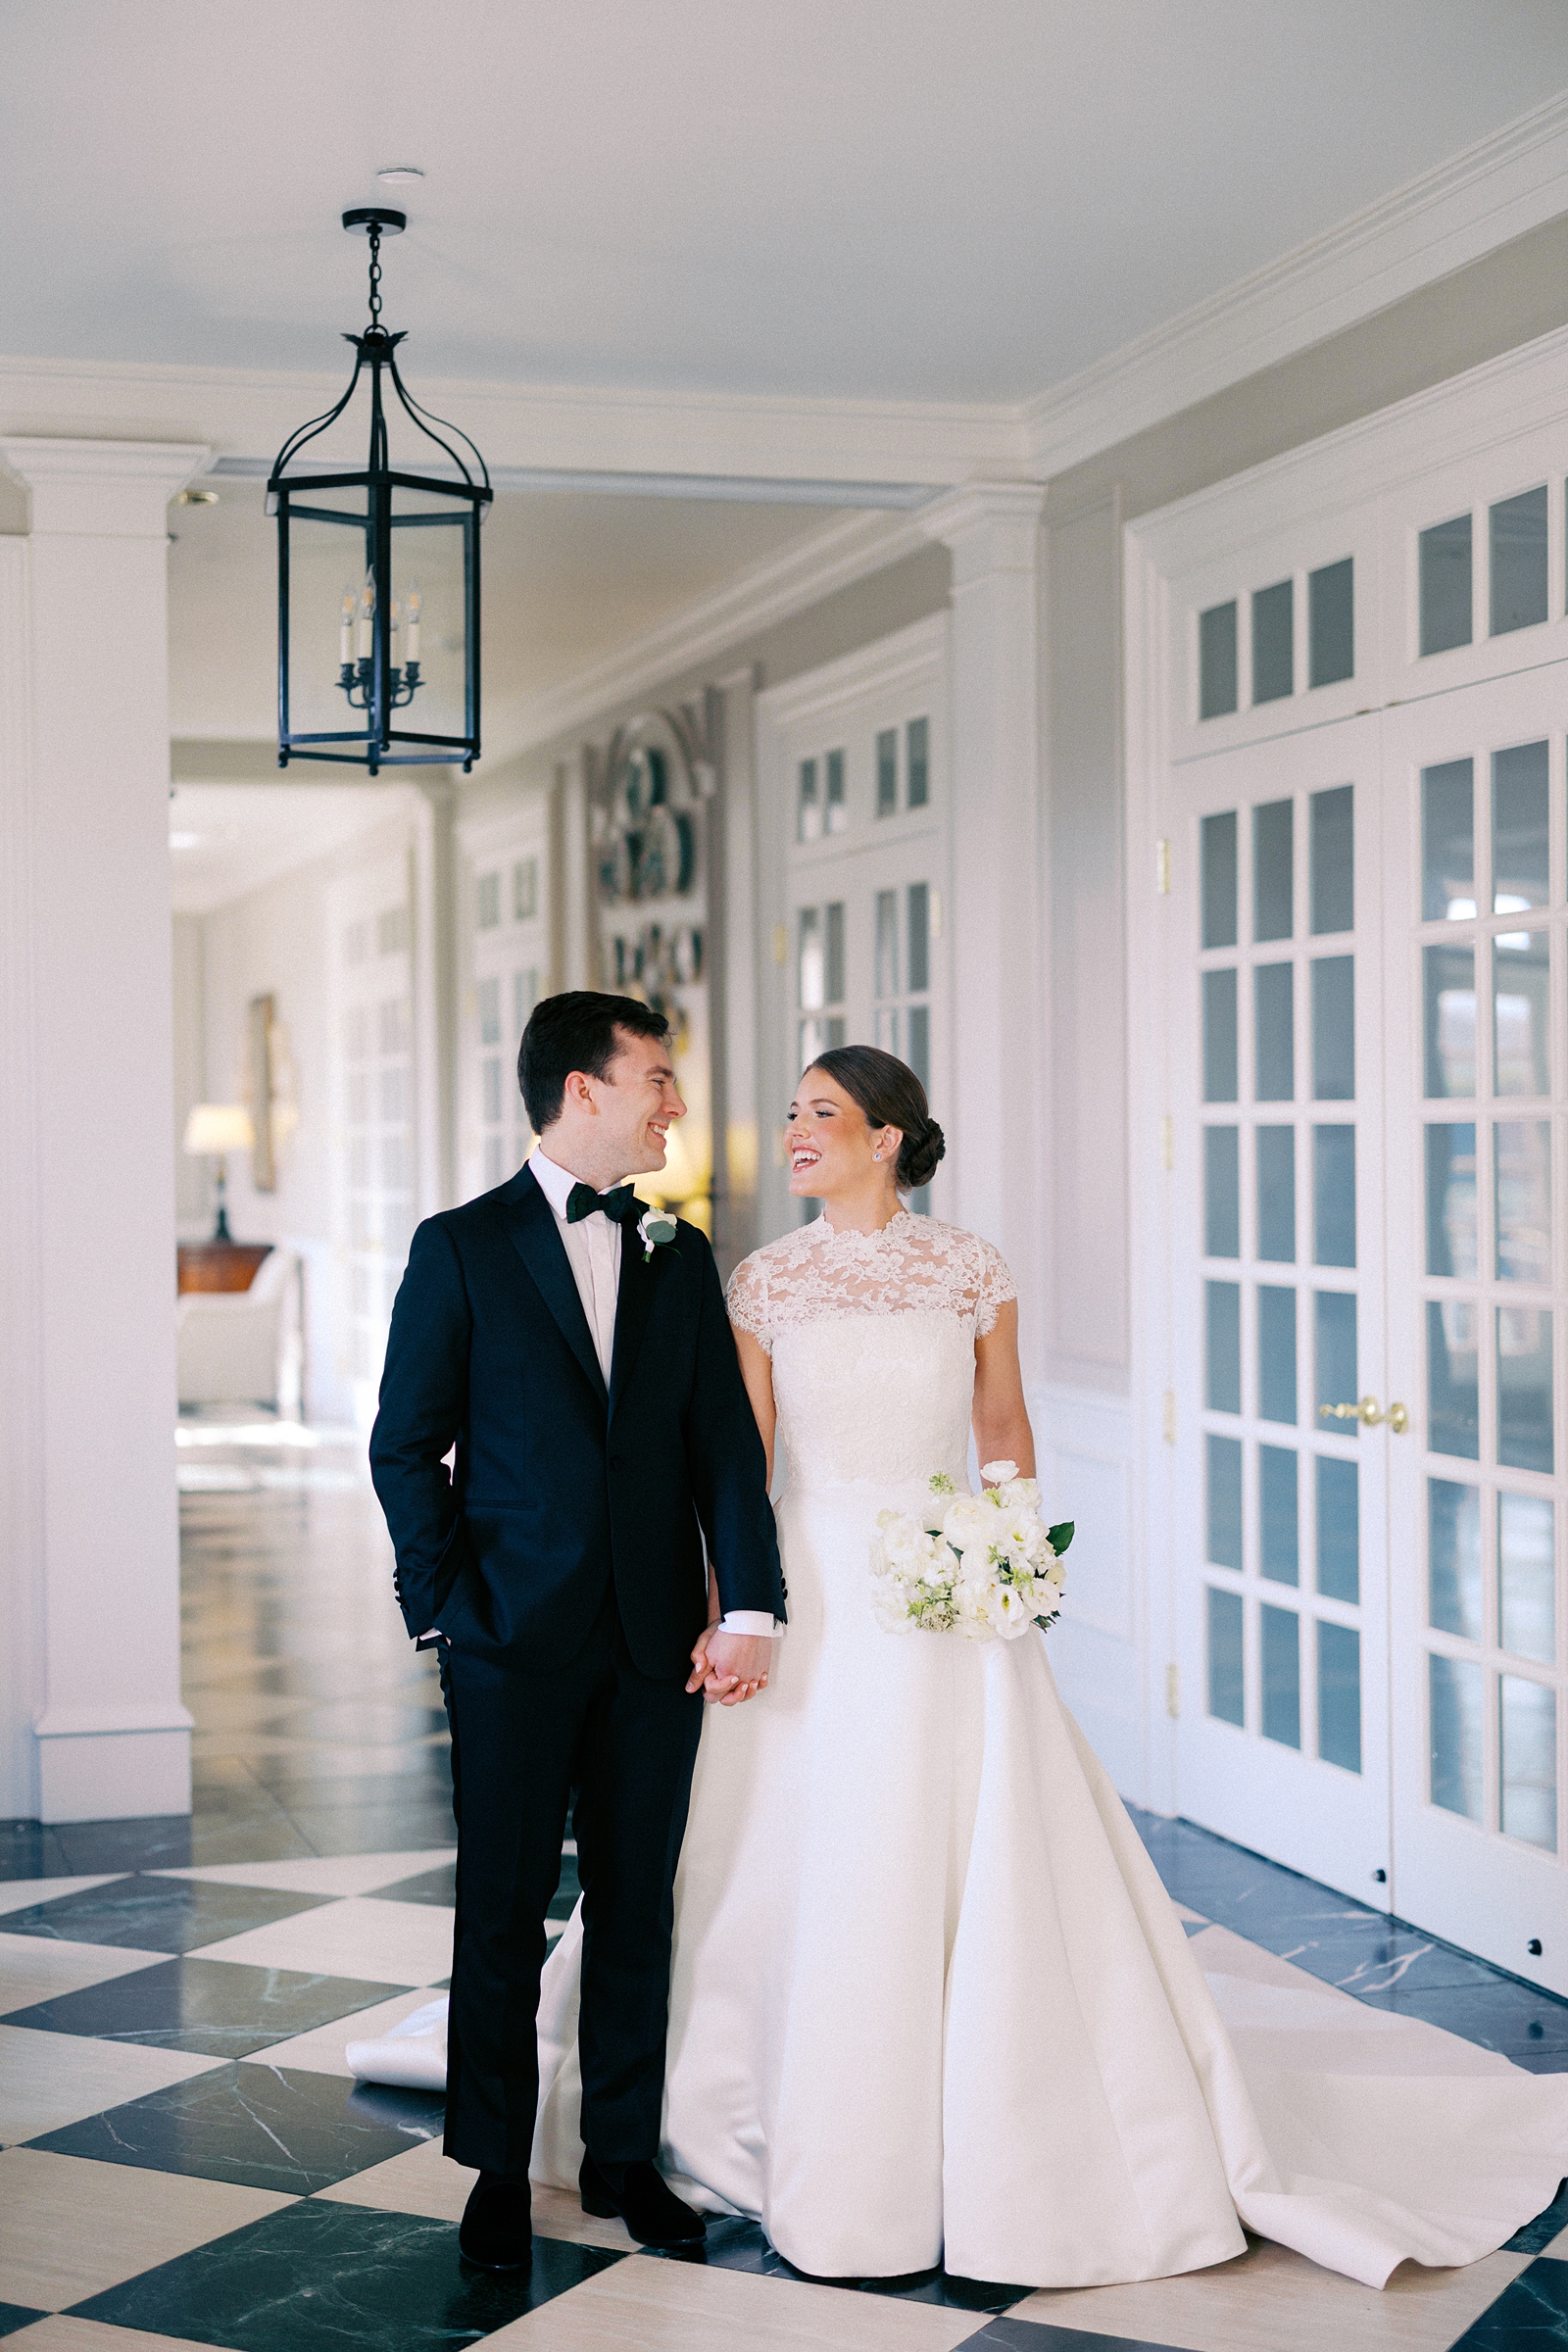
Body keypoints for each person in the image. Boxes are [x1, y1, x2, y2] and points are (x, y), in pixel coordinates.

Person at [531, 1044, 1568, 2290]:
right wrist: (730, 1596)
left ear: (889, 1137)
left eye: (822, 1114)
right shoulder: (762, 1281)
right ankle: (738, 2098)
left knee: (961, 1829)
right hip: (811, 1582)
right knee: (784, 1837)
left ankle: (988, 2106)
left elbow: (1001, 1423)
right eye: (793, 1113)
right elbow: (743, 1458)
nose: (795, 1132)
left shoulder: (968, 1267)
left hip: (940, 1582)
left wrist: (1014, 1548)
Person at [369, 991, 786, 2274]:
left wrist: (754, 1601)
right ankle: (495, 2169)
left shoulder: (679, 1252)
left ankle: (619, 2159)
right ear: (585, 1090)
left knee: (635, 1906)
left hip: (657, 1640)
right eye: (656, 1078)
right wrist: (447, 1607)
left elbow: (723, 1447)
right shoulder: (461, 1247)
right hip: (508, 1637)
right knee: (497, 1907)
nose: (673, 1102)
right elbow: (404, 1445)